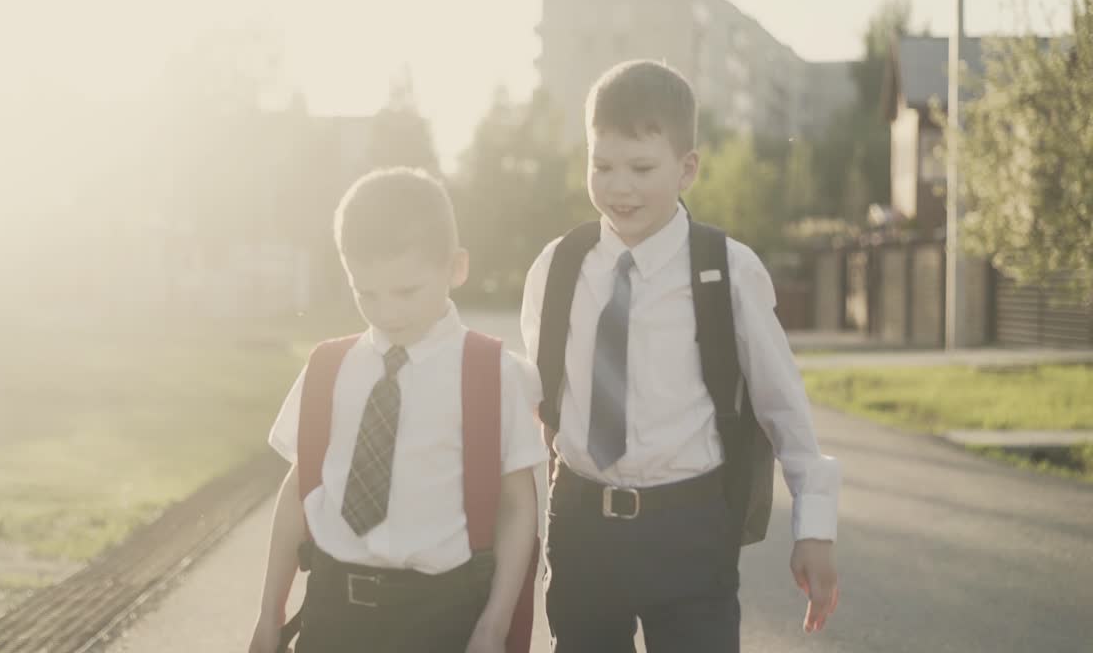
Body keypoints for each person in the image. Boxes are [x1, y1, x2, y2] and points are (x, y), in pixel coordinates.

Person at [521, 60, 841, 652]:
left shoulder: (728, 271)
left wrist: (814, 528)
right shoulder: (557, 268)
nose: (620, 187)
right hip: (582, 529)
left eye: (642, 168)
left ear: (687, 168)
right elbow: (537, 405)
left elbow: (784, 410)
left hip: (690, 531)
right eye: (602, 165)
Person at [249, 167, 547, 653]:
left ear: (456, 267)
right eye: (366, 293)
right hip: (332, 613)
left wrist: (495, 624)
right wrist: (269, 613)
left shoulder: (494, 373)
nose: (387, 312)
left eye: (406, 291)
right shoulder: (330, 368)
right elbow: (298, 491)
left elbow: (517, 507)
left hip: (440, 616)